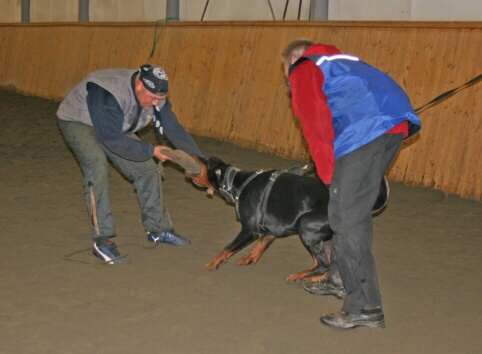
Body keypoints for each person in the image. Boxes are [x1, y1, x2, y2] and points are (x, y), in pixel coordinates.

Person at [281, 39, 421, 329]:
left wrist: (329, 175)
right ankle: (340, 279)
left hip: (365, 133)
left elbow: (315, 124)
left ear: (294, 59)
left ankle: (365, 306)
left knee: (347, 218)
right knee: (344, 212)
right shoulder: (340, 62)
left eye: (286, 77)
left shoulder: (304, 68)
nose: (288, 83)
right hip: (390, 126)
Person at [57, 64, 204, 264]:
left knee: (147, 169)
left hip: (115, 123)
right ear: (139, 84)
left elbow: (174, 129)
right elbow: (111, 139)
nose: (155, 103)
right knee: (97, 167)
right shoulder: (108, 92)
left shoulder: (156, 97)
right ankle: (102, 241)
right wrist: (151, 150)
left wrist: (200, 161)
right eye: (152, 98)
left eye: (159, 99)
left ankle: (158, 230)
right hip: (78, 121)